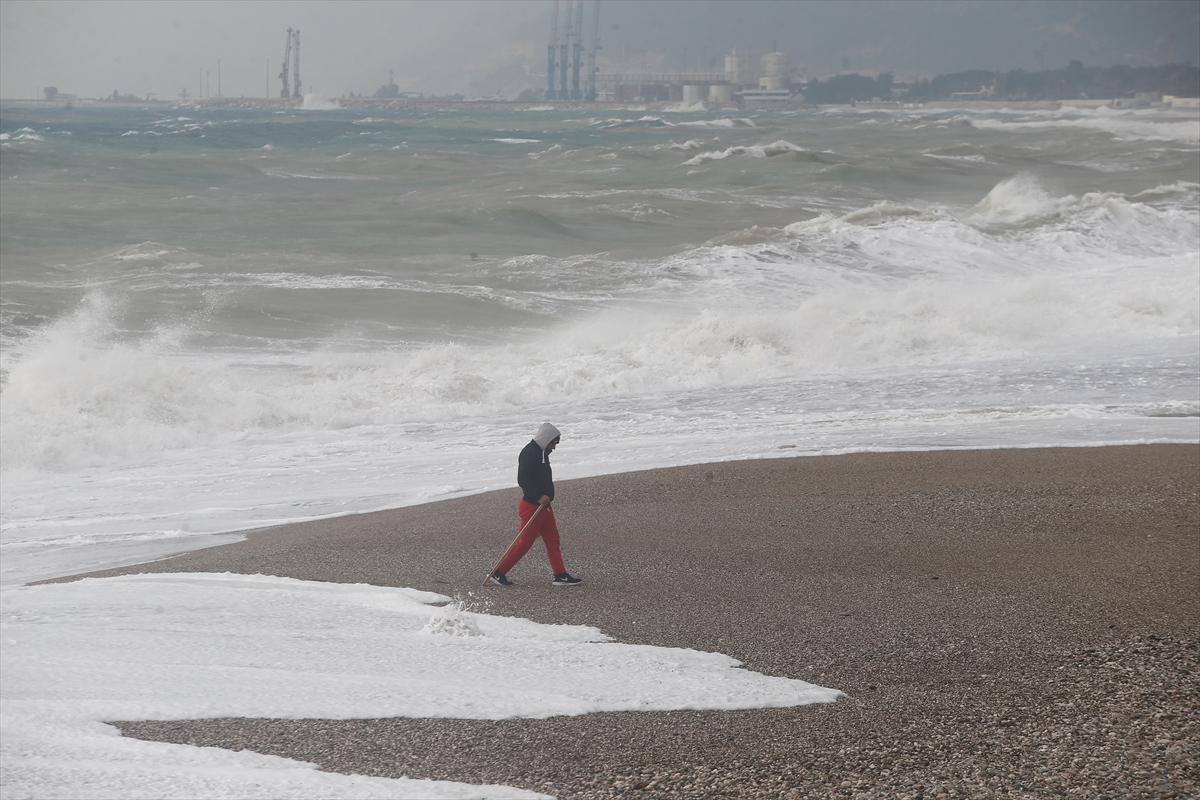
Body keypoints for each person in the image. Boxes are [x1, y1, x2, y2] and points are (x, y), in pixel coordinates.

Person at [489, 423, 581, 587]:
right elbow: (523, 479)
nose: (554, 447)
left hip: (544, 508)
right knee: (523, 543)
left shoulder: (542, 453)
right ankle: (498, 572)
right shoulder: (530, 453)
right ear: (547, 439)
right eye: (554, 443)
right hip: (532, 507)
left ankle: (560, 575)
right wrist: (539, 496)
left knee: (553, 540)